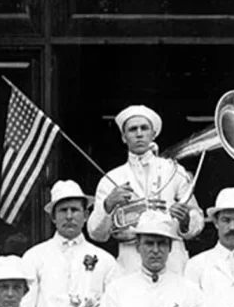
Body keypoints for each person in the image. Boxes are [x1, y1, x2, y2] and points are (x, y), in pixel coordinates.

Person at [87, 104, 204, 275]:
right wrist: (108, 204)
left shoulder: (175, 171)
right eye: (133, 129)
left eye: (144, 128)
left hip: (172, 262)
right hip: (130, 263)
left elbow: (198, 220)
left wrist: (186, 220)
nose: (139, 134)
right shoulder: (111, 179)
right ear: (123, 137)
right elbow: (96, 233)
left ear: (153, 133)